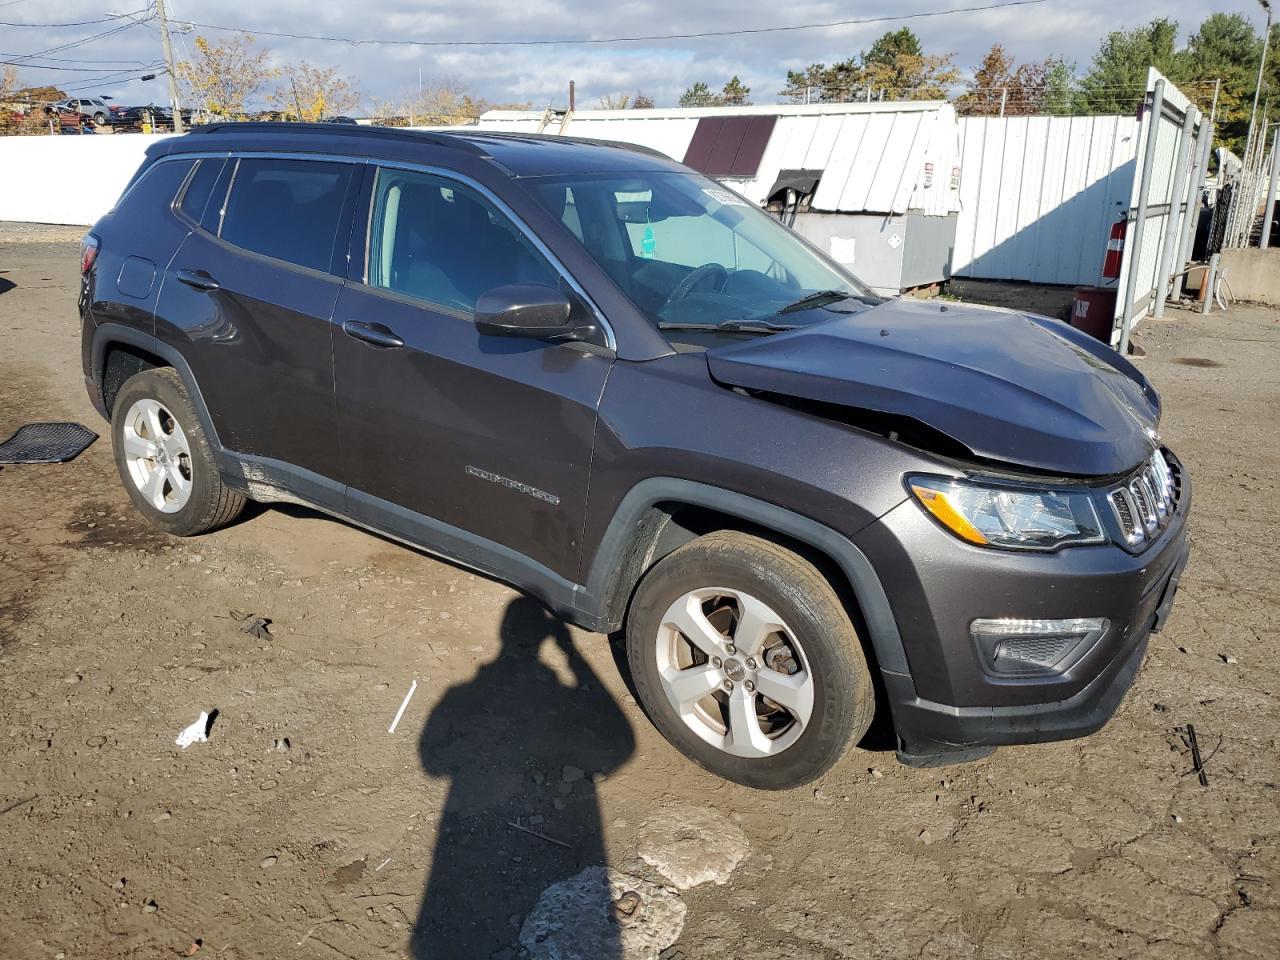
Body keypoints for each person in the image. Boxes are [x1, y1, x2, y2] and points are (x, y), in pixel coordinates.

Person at [413, 596, 635, 958]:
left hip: (462, 855)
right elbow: (622, 744)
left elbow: (431, 763)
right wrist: (572, 654)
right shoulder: (561, 697)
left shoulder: (460, 696)